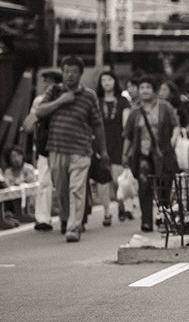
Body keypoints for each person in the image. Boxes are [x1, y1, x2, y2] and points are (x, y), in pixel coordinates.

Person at [34, 55, 108, 242]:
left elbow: (98, 125)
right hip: (56, 149)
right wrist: (61, 101)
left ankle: (74, 227)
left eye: (73, 72)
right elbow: (39, 112)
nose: (69, 75)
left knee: (76, 189)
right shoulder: (54, 91)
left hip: (80, 150)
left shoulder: (89, 96)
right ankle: (67, 218)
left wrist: (103, 151)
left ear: (80, 74)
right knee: (61, 190)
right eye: (66, 71)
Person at [122, 75, 180, 232]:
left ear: (154, 90)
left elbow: (176, 125)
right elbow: (128, 135)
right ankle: (146, 220)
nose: (145, 90)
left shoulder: (165, 107)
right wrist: (125, 154)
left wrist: (173, 140)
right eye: (142, 87)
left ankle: (163, 215)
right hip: (143, 155)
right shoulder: (135, 112)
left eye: (148, 87)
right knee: (144, 186)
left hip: (163, 153)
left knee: (164, 185)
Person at [22, 69, 63, 231]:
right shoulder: (39, 101)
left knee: (64, 182)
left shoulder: (65, 99)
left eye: (48, 82)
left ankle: (67, 215)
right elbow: (30, 123)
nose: (45, 85)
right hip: (44, 145)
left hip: (63, 145)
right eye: (44, 82)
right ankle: (43, 218)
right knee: (44, 182)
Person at [95, 71, 132, 225]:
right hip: (100, 143)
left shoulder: (123, 101)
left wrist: (127, 147)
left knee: (117, 179)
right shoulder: (96, 101)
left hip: (118, 143)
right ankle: (107, 212)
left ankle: (121, 204)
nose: (106, 82)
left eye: (109, 79)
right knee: (103, 180)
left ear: (115, 81)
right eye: (103, 80)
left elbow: (126, 125)